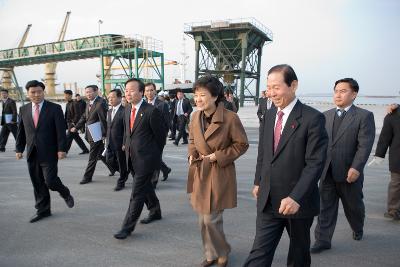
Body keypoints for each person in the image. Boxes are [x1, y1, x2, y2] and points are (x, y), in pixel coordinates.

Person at [244, 64, 328, 267]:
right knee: (259, 252)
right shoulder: (270, 114)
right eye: (268, 88)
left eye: (276, 87)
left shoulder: (313, 118)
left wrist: (295, 196)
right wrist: (258, 181)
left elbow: (315, 163)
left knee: (298, 254)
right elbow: (264, 154)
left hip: (297, 203)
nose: (271, 93)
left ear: (293, 85)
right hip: (268, 198)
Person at [187, 76, 249, 267]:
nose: (198, 99)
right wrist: (192, 154)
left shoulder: (230, 118)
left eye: (202, 95)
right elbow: (191, 139)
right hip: (200, 172)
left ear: (215, 96)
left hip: (219, 173)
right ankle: (211, 254)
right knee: (202, 221)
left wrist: (218, 156)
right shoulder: (195, 116)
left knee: (212, 219)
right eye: (196, 95)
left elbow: (242, 144)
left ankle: (222, 252)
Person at [311, 78, 375, 254]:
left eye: (343, 91)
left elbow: (365, 145)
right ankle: (322, 240)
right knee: (325, 208)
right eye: (336, 91)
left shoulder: (364, 116)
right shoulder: (325, 116)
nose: (338, 94)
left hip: (349, 173)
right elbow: (319, 144)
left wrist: (356, 167)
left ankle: (357, 227)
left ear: (354, 94)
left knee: (353, 207)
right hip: (327, 172)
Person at [15, 80, 74, 223]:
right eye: (33, 92)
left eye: (39, 91)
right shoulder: (24, 109)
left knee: (50, 181)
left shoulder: (54, 108)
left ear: (43, 92)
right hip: (32, 152)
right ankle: (43, 210)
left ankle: (64, 192)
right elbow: (21, 131)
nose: (36, 94)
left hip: (49, 151)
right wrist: (19, 148)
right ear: (27, 93)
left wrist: (62, 149)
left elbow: (60, 130)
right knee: (37, 182)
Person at [113, 78, 165, 239]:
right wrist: (125, 145)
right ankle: (155, 211)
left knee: (136, 193)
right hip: (131, 157)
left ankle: (127, 228)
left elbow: (161, 137)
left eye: (132, 90)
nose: (128, 93)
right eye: (126, 90)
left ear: (141, 92)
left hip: (146, 159)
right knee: (145, 187)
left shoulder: (151, 110)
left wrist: (152, 156)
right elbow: (128, 132)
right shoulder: (127, 109)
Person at [70, 85, 115, 184]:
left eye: (90, 92)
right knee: (100, 153)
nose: (88, 94)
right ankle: (114, 168)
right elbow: (84, 117)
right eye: (86, 92)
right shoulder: (89, 102)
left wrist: (105, 134)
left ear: (96, 91)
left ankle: (87, 177)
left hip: (97, 133)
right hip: (91, 133)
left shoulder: (101, 103)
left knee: (93, 156)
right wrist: (76, 127)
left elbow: (104, 119)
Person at [369, 105, 400, 220]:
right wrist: (379, 155)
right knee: (396, 184)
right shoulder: (393, 115)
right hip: (398, 156)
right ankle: (393, 210)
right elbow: (384, 138)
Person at [144, 82, 171, 184]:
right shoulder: (143, 104)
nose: (149, 93)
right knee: (151, 157)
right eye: (147, 91)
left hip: (158, 137)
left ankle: (153, 182)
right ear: (144, 92)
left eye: (151, 90)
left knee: (156, 157)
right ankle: (165, 169)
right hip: (146, 137)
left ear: (155, 91)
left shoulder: (162, 105)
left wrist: (163, 136)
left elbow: (167, 122)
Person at [106, 89, 128, 191]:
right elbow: (109, 127)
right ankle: (125, 172)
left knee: (121, 162)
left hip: (120, 143)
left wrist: (124, 143)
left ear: (119, 98)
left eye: (113, 97)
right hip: (110, 141)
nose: (110, 99)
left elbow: (126, 129)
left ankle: (121, 181)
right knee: (108, 160)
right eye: (109, 97)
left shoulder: (124, 111)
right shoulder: (110, 111)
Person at [64, 90, 89, 155]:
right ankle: (85, 150)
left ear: (70, 95)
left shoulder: (74, 103)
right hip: (69, 123)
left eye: (65, 95)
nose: (65, 97)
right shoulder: (67, 104)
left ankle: (64, 151)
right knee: (76, 138)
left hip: (72, 124)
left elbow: (78, 114)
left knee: (68, 138)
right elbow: (67, 115)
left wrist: (74, 123)